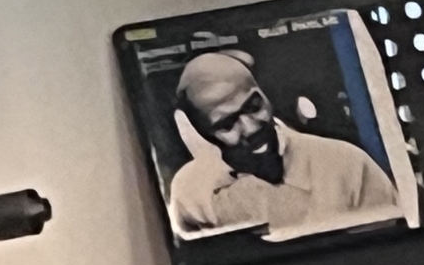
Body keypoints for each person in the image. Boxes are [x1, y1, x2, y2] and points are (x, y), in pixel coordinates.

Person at [168, 51, 397, 237]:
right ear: (204, 132)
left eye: (254, 106)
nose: (251, 128)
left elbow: (390, 249)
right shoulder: (190, 193)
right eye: (227, 124)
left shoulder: (348, 164)